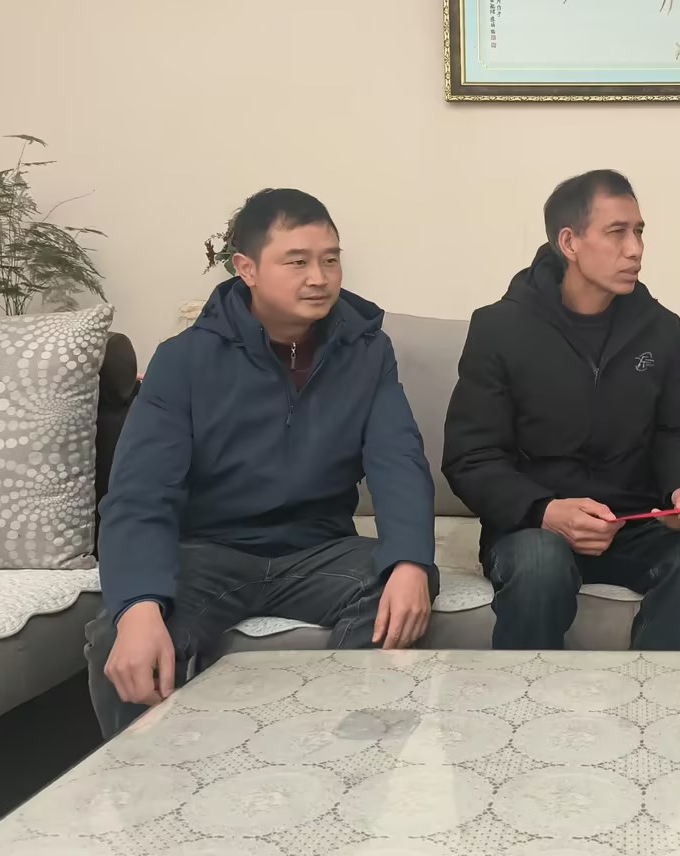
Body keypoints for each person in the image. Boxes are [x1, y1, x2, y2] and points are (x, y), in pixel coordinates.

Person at [87, 188, 437, 737]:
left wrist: (411, 562)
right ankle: (144, 784)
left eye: (330, 260)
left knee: (399, 586)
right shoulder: (183, 360)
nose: (319, 278)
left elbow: (399, 461)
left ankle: (343, 759)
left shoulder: (367, 351)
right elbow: (139, 493)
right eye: (297, 262)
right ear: (246, 268)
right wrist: (136, 606)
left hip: (319, 550)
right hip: (208, 553)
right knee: (122, 634)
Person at [443, 169, 680, 650]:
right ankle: (528, 695)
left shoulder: (659, 328)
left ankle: (652, 692)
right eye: (617, 232)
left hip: (634, 523)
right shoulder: (500, 328)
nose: (635, 249)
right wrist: (544, 510)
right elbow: (470, 457)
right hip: (536, 528)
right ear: (569, 242)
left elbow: (677, 433)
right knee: (539, 563)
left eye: (639, 232)